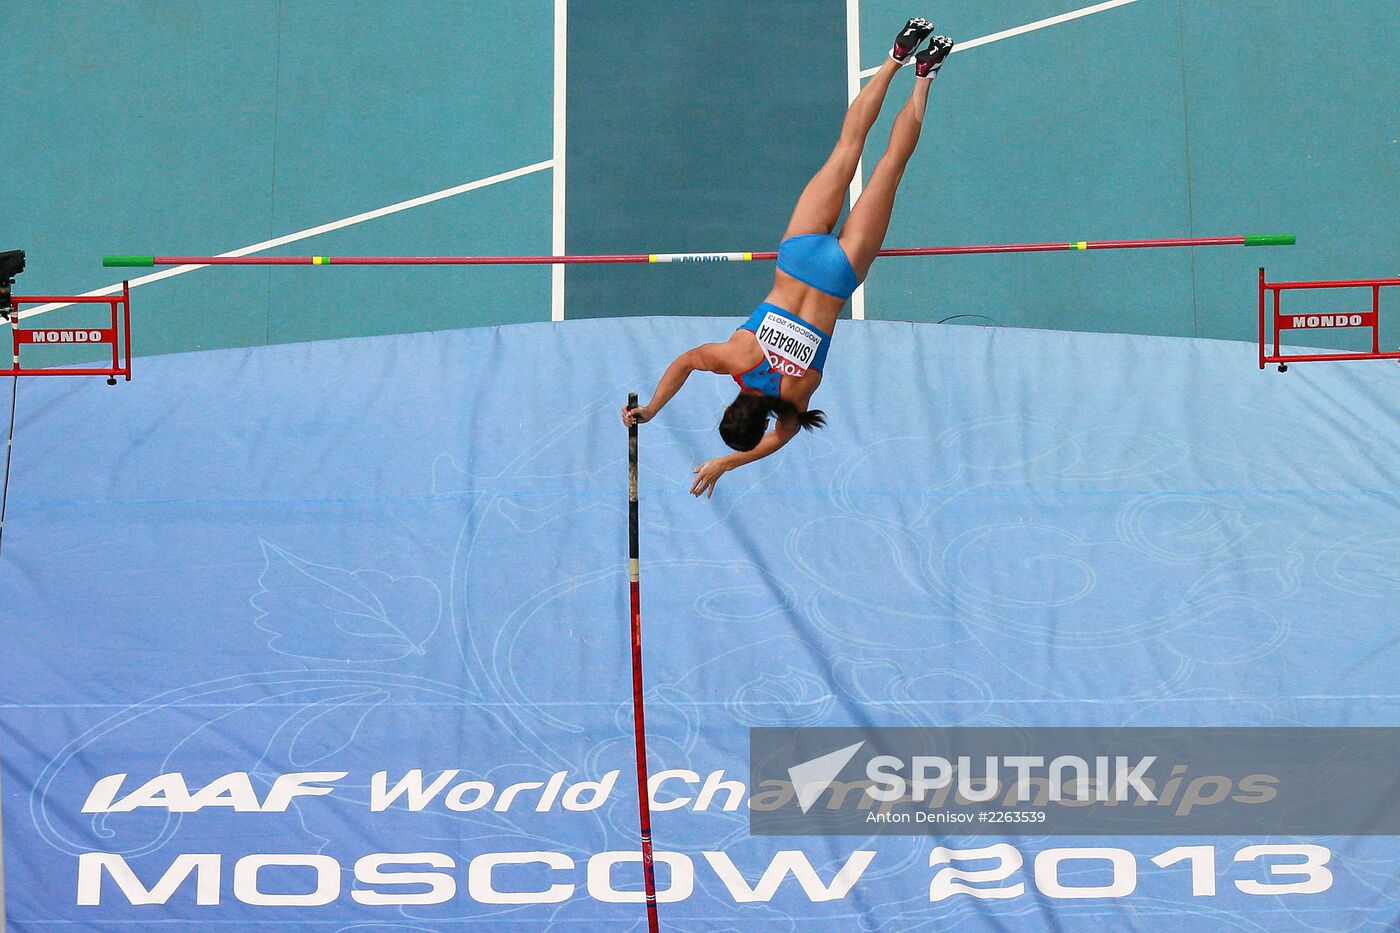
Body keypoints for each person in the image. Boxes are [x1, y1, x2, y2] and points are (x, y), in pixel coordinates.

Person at [622, 18, 953, 498]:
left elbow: (780, 439)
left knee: (890, 167)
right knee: (848, 147)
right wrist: (652, 408)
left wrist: (728, 464)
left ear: (760, 419)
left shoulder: (794, 400)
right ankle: (895, 58)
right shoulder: (732, 359)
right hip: (796, 256)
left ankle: (925, 75)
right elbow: (683, 363)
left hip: (838, 274)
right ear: (730, 404)